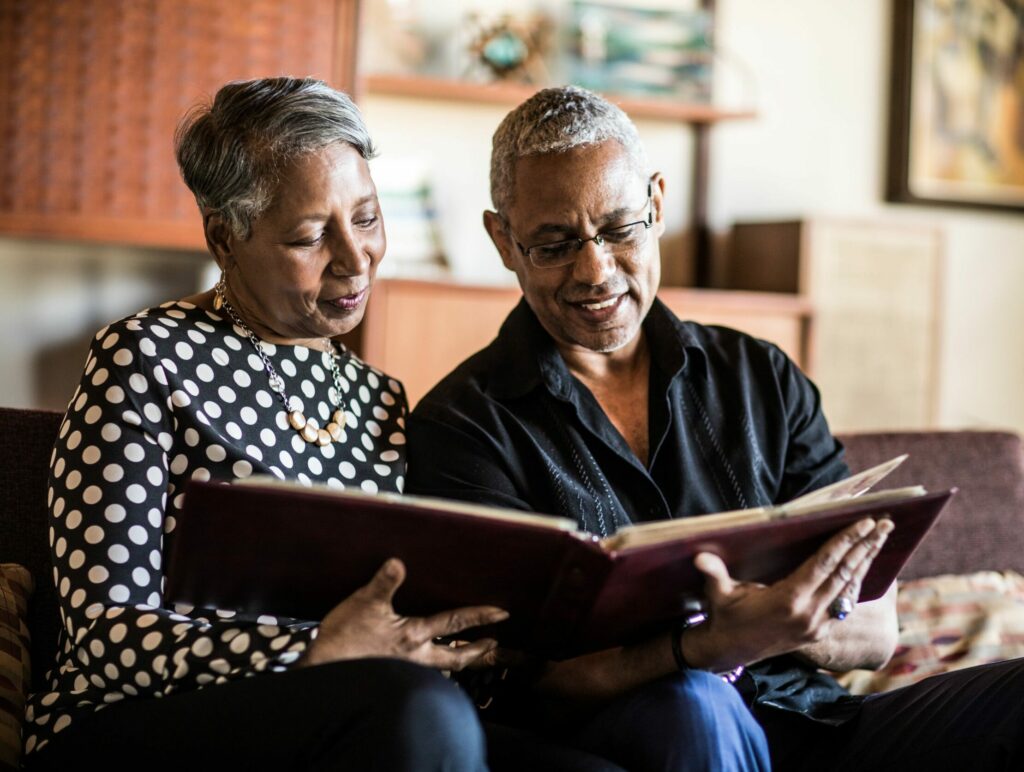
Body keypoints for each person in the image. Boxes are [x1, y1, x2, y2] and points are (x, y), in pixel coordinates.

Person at [405, 85, 1024, 771]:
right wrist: (704, 646)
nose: (595, 269)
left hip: (813, 722)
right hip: (649, 730)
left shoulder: (760, 376)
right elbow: (518, 689)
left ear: (658, 204)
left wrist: (788, 626)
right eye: (553, 245)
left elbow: (875, 631)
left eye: (619, 229)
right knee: (695, 705)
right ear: (503, 240)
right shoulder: (464, 426)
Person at [22, 77, 512, 772]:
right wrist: (308, 654)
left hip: (355, 712)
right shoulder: (143, 358)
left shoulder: (382, 399)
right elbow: (103, 638)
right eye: (311, 236)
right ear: (225, 237)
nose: (355, 258)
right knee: (415, 712)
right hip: (133, 725)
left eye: (367, 218)